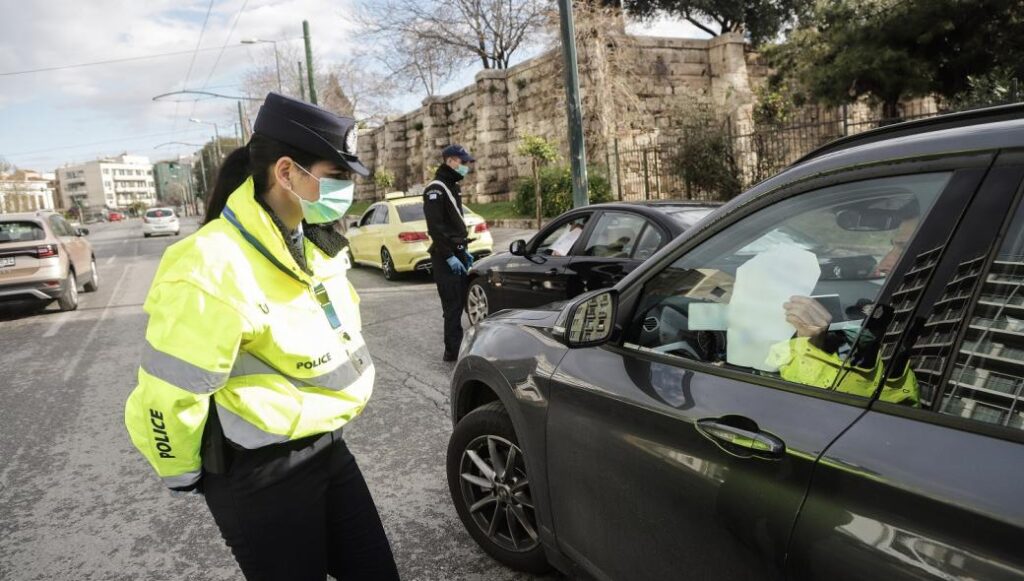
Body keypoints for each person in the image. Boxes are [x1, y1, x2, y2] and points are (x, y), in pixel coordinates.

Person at [124, 92, 401, 581]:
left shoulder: (316, 244)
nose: (347, 191)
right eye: (336, 177)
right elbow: (169, 393)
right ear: (287, 172)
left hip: (328, 447)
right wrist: (183, 472)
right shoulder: (210, 263)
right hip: (257, 473)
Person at [774, 212, 922, 405]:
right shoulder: (913, 317)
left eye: (904, 249)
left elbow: (819, 407)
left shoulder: (923, 338)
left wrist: (810, 346)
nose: (882, 264)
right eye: (892, 247)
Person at [423, 144, 476, 362]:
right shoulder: (435, 188)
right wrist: (449, 255)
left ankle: (460, 345)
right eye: (463, 162)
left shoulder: (451, 185)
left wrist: (464, 250)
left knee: (462, 300)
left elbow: (453, 222)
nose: (466, 167)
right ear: (451, 160)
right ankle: (453, 352)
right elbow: (435, 228)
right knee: (452, 305)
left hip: (458, 252)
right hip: (446, 256)